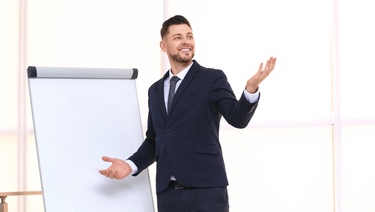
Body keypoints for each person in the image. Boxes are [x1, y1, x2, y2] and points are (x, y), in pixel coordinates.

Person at [99, 15, 276, 212]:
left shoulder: (212, 79)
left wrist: (250, 90)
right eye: (177, 37)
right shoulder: (155, 90)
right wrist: (130, 165)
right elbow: (154, 140)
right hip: (168, 195)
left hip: (206, 192)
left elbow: (237, 118)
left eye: (189, 36)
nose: (186, 41)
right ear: (163, 46)